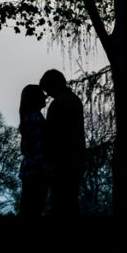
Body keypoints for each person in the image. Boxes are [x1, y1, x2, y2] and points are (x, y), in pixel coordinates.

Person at [40, 69, 85, 218]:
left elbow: (54, 134)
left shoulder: (59, 103)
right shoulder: (74, 99)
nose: (47, 94)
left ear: (54, 85)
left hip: (63, 160)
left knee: (61, 202)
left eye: (47, 89)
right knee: (71, 201)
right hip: (75, 158)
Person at [17, 84, 49, 218]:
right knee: (33, 211)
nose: (45, 96)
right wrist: (48, 170)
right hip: (36, 172)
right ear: (34, 98)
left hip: (30, 171)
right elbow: (39, 148)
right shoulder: (35, 118)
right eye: (41, 94)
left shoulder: (29, 117)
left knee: (29, 210)